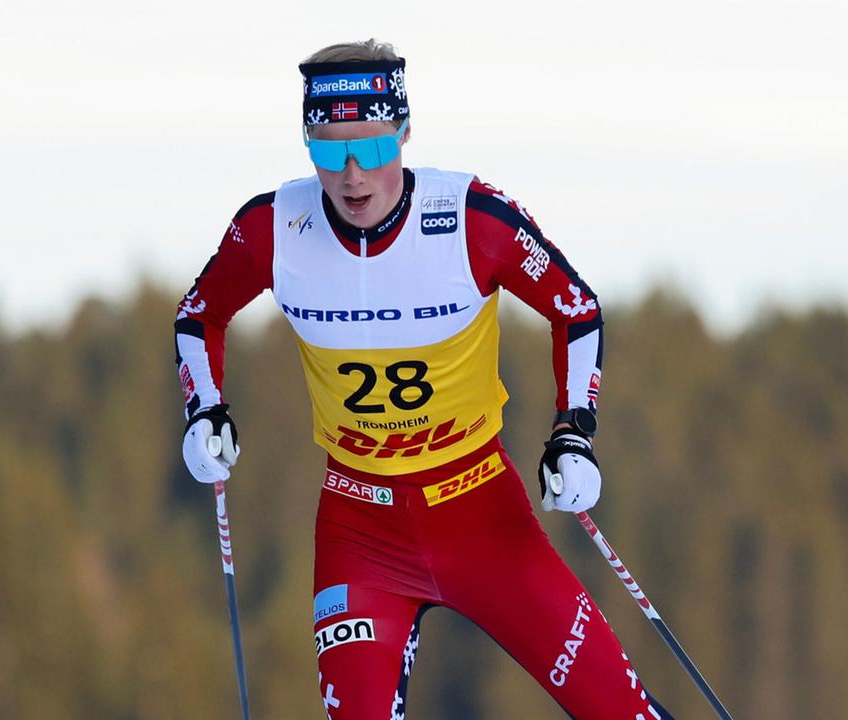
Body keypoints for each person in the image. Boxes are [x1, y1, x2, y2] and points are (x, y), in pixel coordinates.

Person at [174, 39, 671, 719]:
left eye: (373, 149)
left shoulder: (470, 218)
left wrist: (573, 432)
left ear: (404, 132)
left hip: (483, 519)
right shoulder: (273, 228)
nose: (351, 176)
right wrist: (205, 410)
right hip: (360, 531)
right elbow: (199, 317)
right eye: (328, 151)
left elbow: (575, 308)